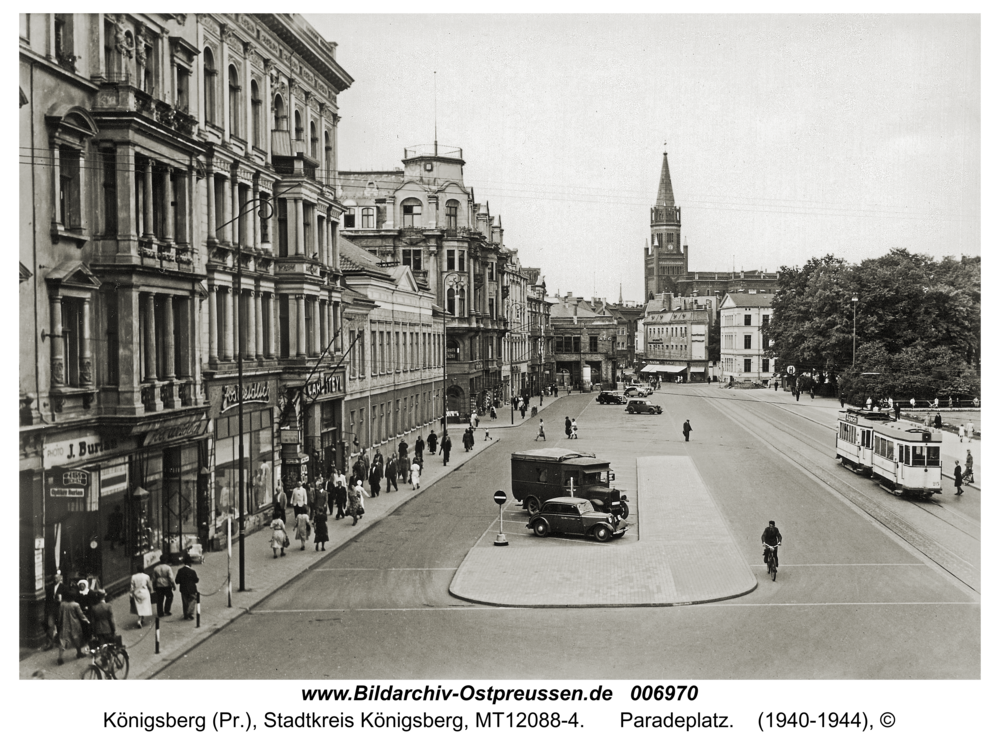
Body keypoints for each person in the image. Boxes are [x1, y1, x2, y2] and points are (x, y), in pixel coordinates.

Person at [56, 589, 89, 665]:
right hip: (75, 624)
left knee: (63, 640)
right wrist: (87, 620)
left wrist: (59, 623)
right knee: (77, 638)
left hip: (65, 624)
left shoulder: (62, 604)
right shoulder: (76, 605)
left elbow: (59, 615)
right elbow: (81, 615)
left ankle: (60, 657)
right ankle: (79, 653)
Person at [43, 572, 66, 650]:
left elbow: (65, 598)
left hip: (59, 609)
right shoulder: (50, 587)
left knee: (60, 625)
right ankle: (50, 643)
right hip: (51, 609)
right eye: (54, 578)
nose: (55, 579)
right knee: (50, 625)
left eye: (57, 578)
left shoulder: (63, 587)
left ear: (60, 578)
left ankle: (60, 641)